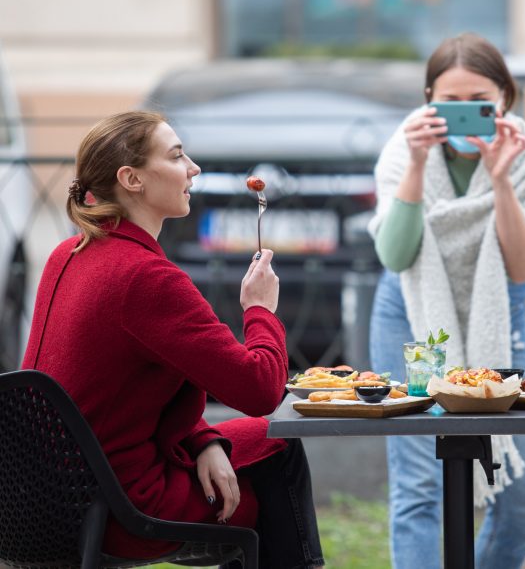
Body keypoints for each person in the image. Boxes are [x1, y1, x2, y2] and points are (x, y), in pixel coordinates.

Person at [21, 111, 324, 568]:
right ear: (132, 179)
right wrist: (260, 309)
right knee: (278, 447)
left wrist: (204, 440)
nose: (194, 168)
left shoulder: (70, 253)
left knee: (258, 441)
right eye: (177, 155)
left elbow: (122, 387)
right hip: (120, 508)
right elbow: (260, 390)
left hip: (44, 500)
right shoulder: (145, 278)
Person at [368, 33, 525, 568]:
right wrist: (414, 166)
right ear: (428, 97)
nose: (461, 117)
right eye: (447, 102)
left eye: (476, 103)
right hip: (409, 313)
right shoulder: (402, 149)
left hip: (501, 316)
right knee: (418, 486)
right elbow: (394, 252)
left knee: (522, 495)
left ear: (504, 98)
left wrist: (501, 181)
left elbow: (524, 266)